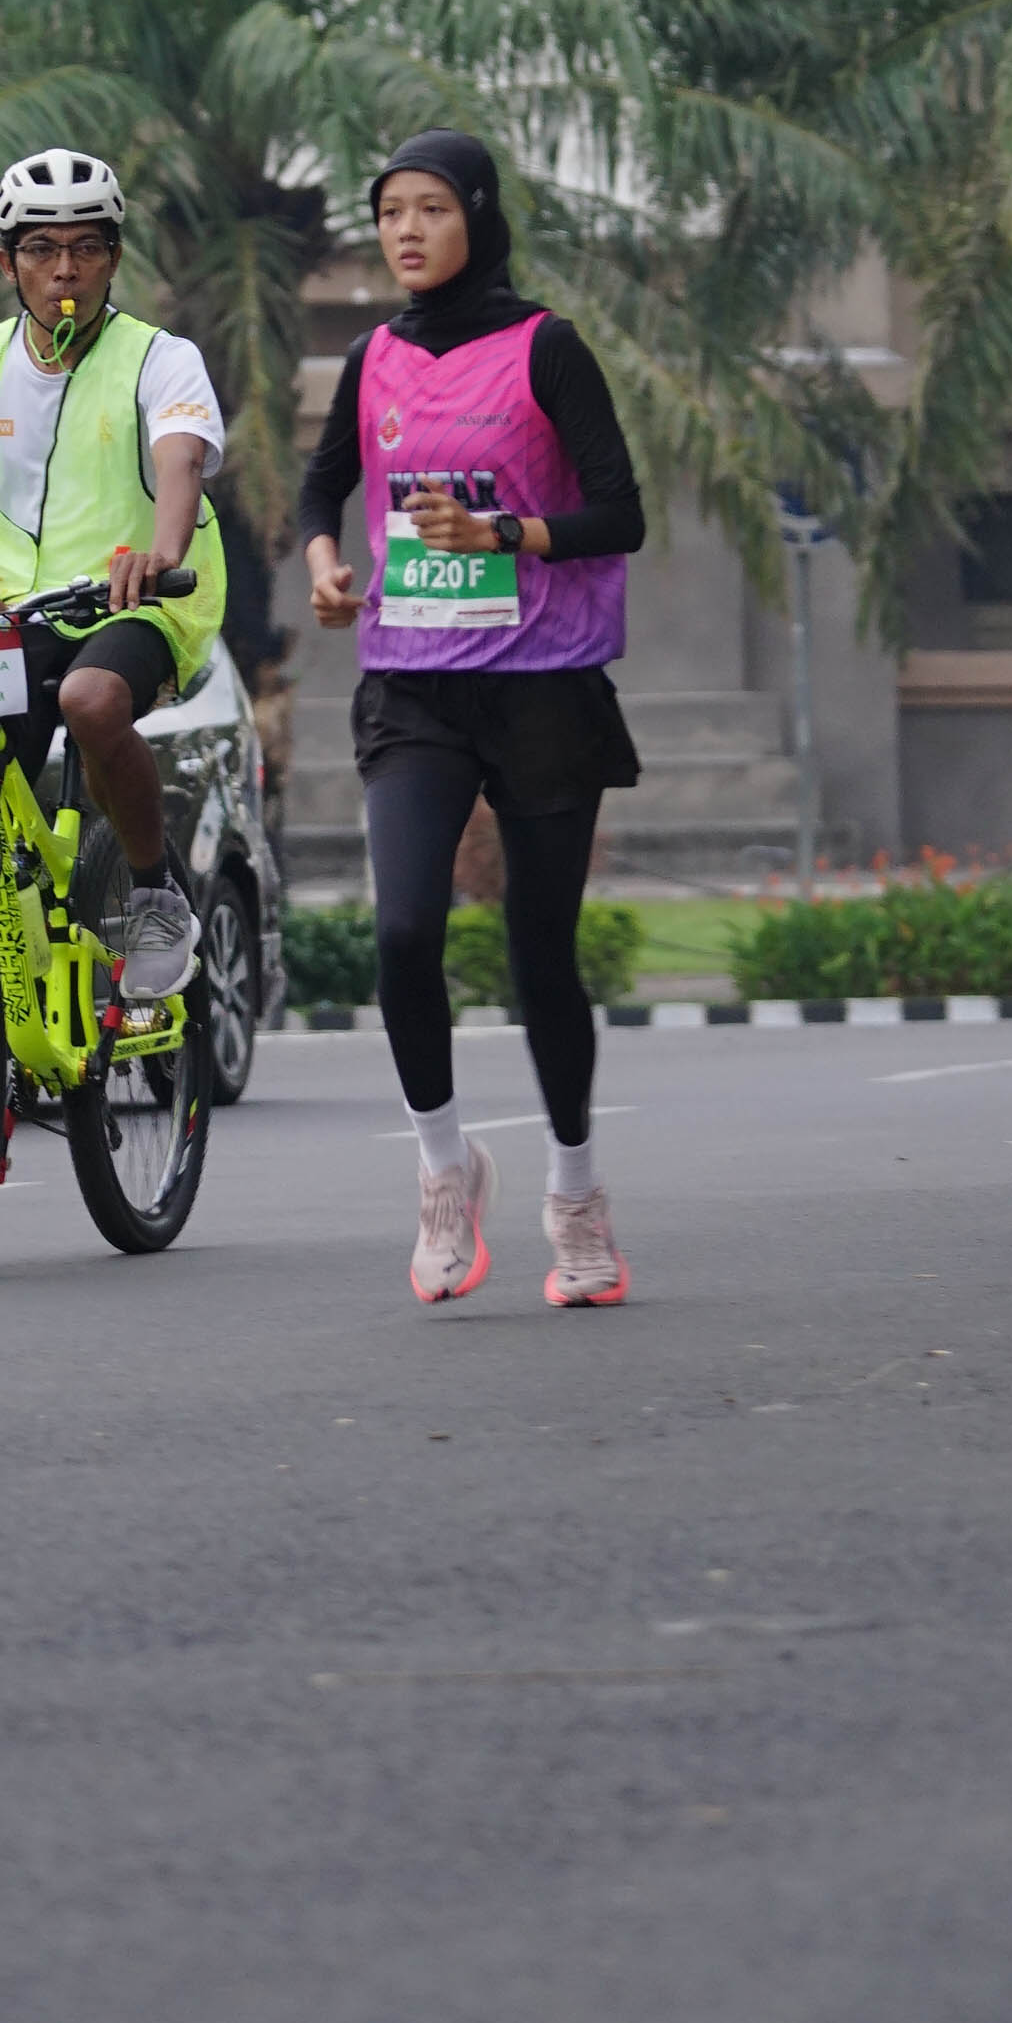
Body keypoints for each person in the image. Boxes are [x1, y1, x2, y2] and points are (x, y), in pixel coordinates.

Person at [299, 130, 646, 1308]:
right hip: (413, 686)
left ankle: (576, 1198)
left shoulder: (545, 347)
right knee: (404, 933)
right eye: (389, 210)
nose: (405, 230)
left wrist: (506, 534)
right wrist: (323, 565)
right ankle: (445, 1172)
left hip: (543, 684)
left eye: (431, 208)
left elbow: (621, 512)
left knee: (540, 957)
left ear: (479, 217)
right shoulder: (374, 357)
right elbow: (323, 483)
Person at [0, 148, 227, 1004]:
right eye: (41, 250)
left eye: (86, 248)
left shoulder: (160, 358)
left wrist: (162, 554)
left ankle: (154, 895)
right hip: (17, 614)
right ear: (8, 264)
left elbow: (181, 460)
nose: (64, 270)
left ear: (114, 258)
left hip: (139, 600)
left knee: (91, 700)